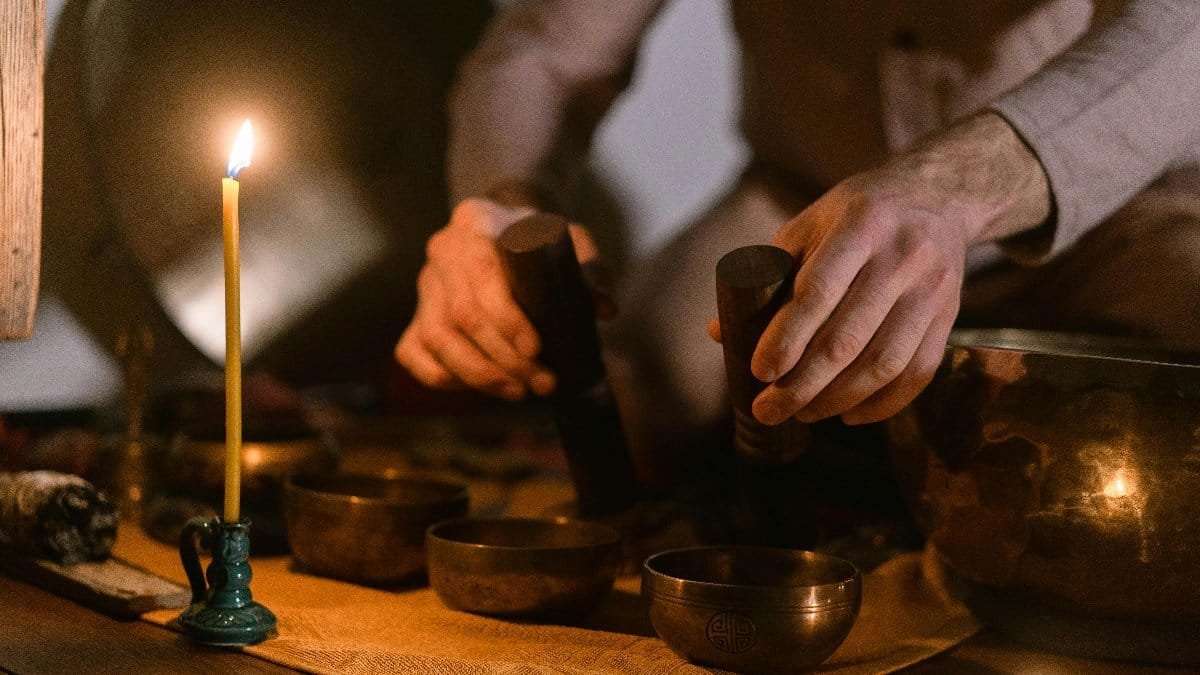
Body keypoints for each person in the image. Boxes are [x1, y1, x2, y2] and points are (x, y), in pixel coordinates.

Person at [396, 1, 1200, 464]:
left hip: (1126, 212)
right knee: (630, 399)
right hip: (798, 207)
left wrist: (951, 187)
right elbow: (546, 53)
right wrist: (502, 205)